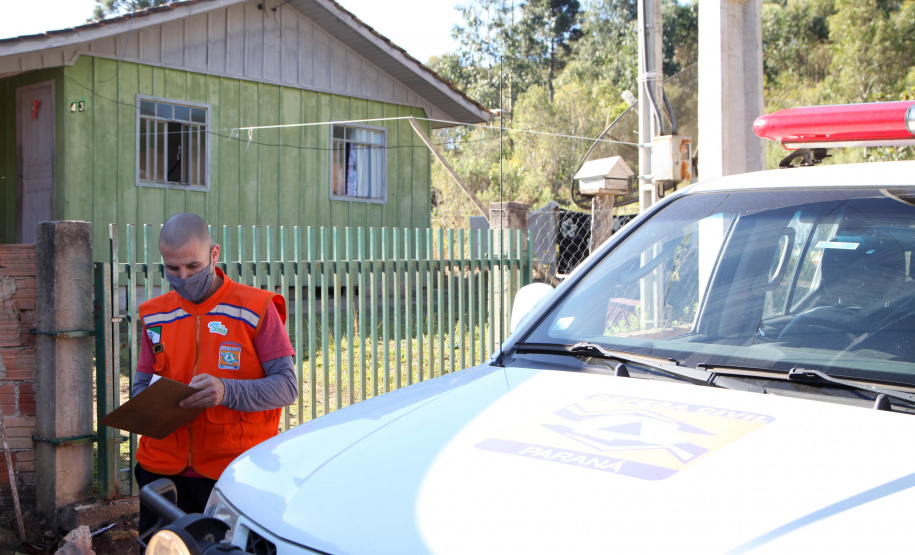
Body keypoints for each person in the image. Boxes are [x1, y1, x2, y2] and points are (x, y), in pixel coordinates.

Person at [132, 213, 297, 536]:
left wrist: (226, 391)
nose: (182, 276)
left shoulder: (256, 308)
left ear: (214, 254)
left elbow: (286, 387)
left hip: (232, 474)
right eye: (171, 268)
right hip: (160, 472)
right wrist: (148, 406)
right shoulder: (154, 313)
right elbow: (141, 385)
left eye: (192, 266)